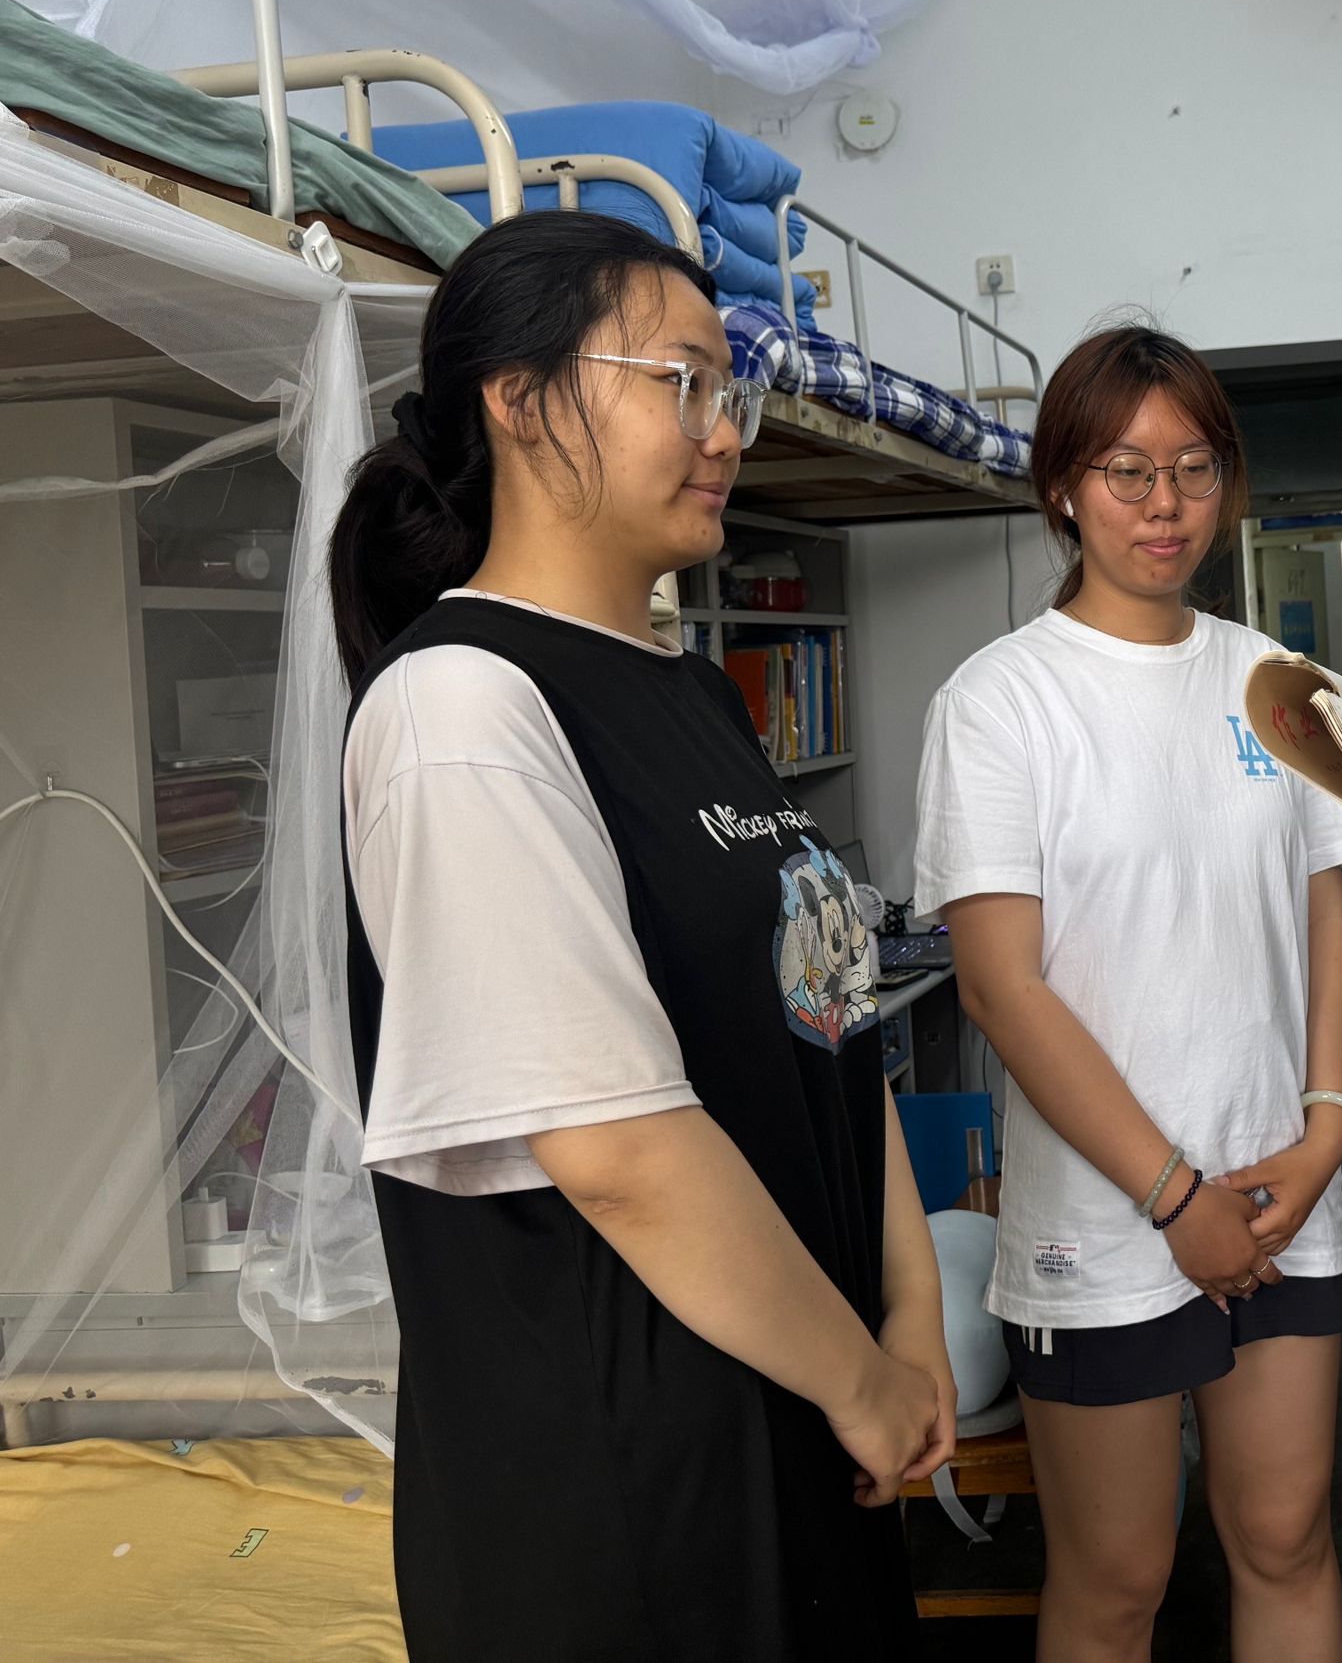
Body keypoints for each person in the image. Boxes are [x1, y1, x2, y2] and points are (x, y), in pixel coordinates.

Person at [330, 212, 949, 1661]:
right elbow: (615, 1148)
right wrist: (861, 1380)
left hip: (800, 1396)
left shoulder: (697, 696)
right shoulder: (461, 708)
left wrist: (908, 1315)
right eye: (681, 382)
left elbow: (833, 1021)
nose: (724, 431)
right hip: (630, 1479)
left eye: (730, 391)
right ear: (521, 397)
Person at [914, 325, 1342, 1663]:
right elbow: (1001, 987)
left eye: (1193, 468)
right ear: (1064, 487)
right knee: (1119, 1580)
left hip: (1284, 1189)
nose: (1163, 504)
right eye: (1126, 471)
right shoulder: (1000, 702)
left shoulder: (1277, 684)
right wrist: (1176, 1200)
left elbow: (1322, 909)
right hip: (1107, 1220)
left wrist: (1329, 1127)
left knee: (1285, 1537)